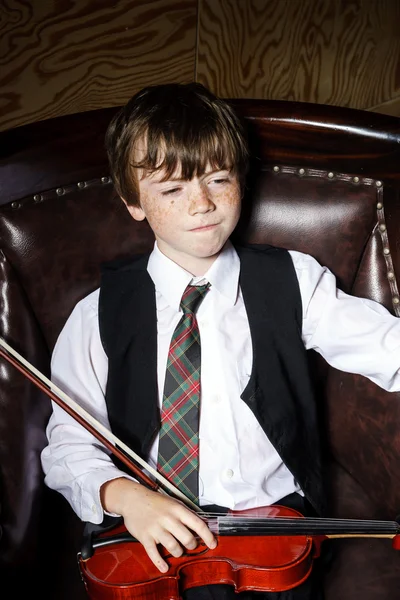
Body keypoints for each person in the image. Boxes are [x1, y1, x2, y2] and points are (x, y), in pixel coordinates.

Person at [41, 82, 400, 600]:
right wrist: (125, 496)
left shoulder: (293, 280)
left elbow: (384, 344)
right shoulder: (96, 313)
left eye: (218, 178)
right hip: (147, 535)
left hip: (273, 534)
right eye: (172, 190)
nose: (203, 204)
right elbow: (69, 445)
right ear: (133, 202)